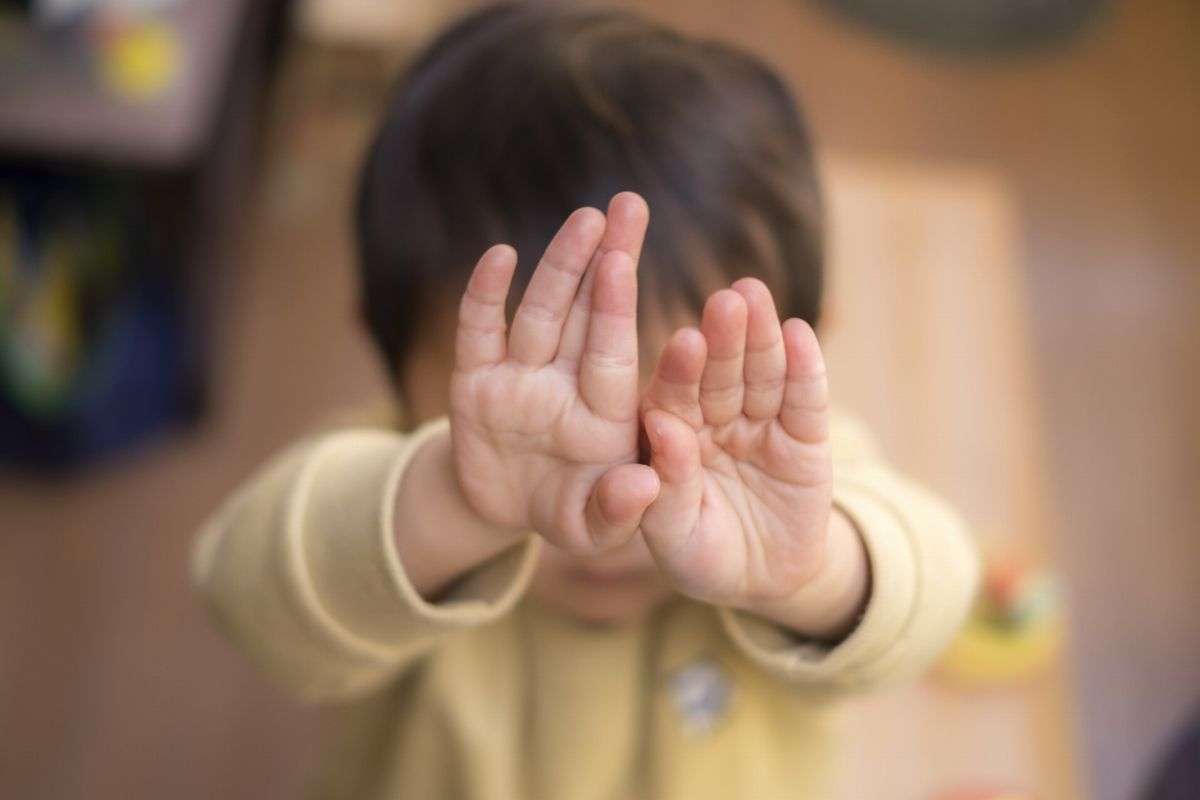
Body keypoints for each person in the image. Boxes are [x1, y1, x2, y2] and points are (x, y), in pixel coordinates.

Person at [191, 3, 980, 797]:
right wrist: (458, 499)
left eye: (665, 442)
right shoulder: (391, 485)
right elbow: (244, 595)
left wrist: (806, 574)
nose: (612, 506)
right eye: (535, 435)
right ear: (388, 353)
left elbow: (938, 592)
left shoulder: (787, 493)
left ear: (798, 356)